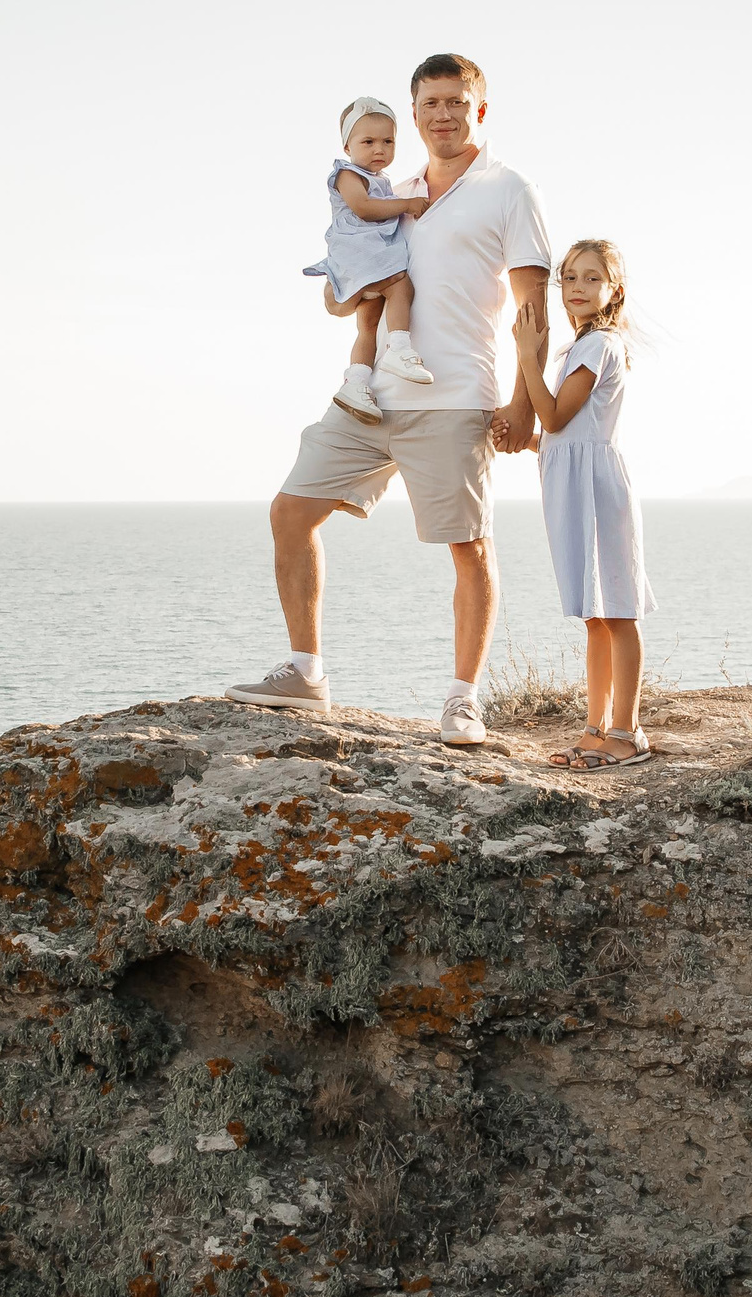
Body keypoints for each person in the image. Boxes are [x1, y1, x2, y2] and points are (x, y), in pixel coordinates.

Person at [227, 53, 550, 747]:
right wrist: (343, 287)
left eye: (457, 102)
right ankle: (307, 672)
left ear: (479, 111)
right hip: (371, 394)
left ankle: (464, 700)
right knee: (291, 512)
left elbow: (533, 306)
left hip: (456, 396)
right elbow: (341, 297)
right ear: (413, 114)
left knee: (469, 547)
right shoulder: (388, 191)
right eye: (431, 102)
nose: (444, 113)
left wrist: (526, 403)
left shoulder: (509, 188)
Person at [512, 239, 656, 768]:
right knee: (595, 615)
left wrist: (526, 357)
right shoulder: (582, 347)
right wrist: (515, 435)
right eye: (569, 277)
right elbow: (561, 432)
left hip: (596, 489)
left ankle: (627, 730)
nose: (576, 287)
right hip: (576, 484)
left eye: (591, 278)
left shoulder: (598, 345)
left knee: (617, 610)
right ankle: (595, 729)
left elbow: (552, 417)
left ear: (614, 289)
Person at [303, 98, 434, 424]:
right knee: (401, 285)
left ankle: (357, 383)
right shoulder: (348, 174)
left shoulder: (381, 180)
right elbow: (363, 208)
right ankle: (400, 348)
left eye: (388, 141)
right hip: (360, 257)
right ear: (347, 146)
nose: (380, 149)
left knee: (369, 325)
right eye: (368, 142)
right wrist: (407, 204)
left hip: (367, 261)